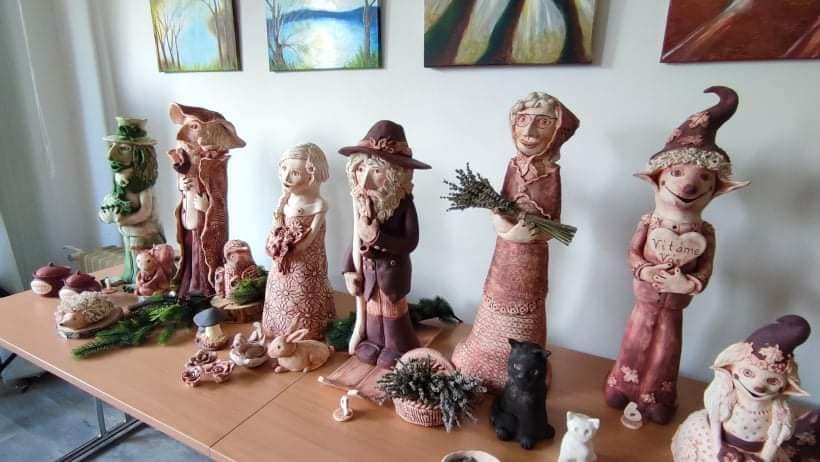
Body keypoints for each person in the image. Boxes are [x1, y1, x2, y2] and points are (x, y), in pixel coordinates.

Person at [451, 92, 579, 392]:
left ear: (557, 131)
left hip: (532, 257)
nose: (529, 131)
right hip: (505, 254)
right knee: (497, 294)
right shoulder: (513, 165)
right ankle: (484, 354)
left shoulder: (551, 173)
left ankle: (523, 368)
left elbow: (553, 225)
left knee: (526, 301)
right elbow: (499, 206)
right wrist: (507, 232)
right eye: (523, 120)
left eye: (542, 122)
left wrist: (531, 235)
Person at [339, 120, 431, 368]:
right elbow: (355, 239)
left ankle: (397, 346)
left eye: (377, 171)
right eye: (360, 170)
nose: (365, 181)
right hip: (368, 276)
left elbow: (410, 241)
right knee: (372, 311)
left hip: (392, 274)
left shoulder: (403, 205)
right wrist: (348, 270)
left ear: (395, 174)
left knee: (391, 312)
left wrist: (377, 238)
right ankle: (373, 343)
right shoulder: (361, 205)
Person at [262, 143, 335, 341]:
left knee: (304, 294)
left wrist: (287, 249)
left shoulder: (318, 205)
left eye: (294, 173)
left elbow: (307, 241)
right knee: (278, 292)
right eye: (284, 169)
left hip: (305, 264)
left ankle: (306, 332)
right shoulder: (286, 201)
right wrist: (277, 242)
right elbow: (277, 227)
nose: (286, 177)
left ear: (313, 175)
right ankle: (278, 330)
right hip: (282, 262)